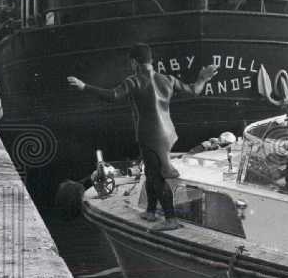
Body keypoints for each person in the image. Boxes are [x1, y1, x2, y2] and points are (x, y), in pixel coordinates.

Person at [66, 44, 216, 231]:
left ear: (134, 63)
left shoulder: (134, 81)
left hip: (150, 136)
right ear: (151, 61)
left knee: (157, 176)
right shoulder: (167, 79)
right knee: (150, 172)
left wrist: (84, 86)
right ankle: (151, 211)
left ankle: (171, 219)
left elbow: (112, 95)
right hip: (167, 134)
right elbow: (194, 90)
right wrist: (203, 78)